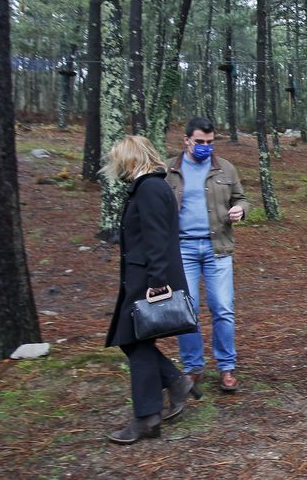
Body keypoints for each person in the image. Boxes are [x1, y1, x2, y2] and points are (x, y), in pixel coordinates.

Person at [102, 136, 201, 444]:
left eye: (119, 161)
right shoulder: (150, 187)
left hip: (148, 279)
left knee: (136, 343)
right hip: (141, 276)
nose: (115, 167)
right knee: (132, 341)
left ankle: (147, 417)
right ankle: (175, 383)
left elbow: (158, 239)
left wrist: (157, 283)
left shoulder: (150, 189)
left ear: (131, 159)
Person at [166, 117, 249, 392]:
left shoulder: (225, 169)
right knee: (186, 310)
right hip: (182, 249)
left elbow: (241, 198)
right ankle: (192, 368)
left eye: (210, 143)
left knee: (223, 308)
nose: (205, 147)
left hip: (218, 248)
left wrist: (241, 209)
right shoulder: (168, 170)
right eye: (199, 142)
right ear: (186, 139)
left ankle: (227, 367)